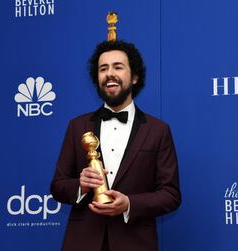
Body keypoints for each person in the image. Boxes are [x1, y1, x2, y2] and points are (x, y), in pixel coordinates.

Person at [50, 40, 181, 251]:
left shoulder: (158, 130)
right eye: (103, 69)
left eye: (118, 67)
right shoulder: (77, 126)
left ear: (135, 76)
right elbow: (57, 186)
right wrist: (81, 186)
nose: (110, 74)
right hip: (82, 243)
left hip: (135, 243)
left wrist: (129, 204)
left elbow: (171, 195)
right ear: (97, 78)